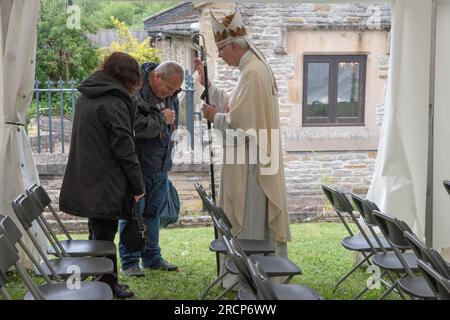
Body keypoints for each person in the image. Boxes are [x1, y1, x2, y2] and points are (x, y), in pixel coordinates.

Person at [194, 8, 291, 281]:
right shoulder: (251, 69)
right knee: (250, 220)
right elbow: (239, 109)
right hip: (255, 158)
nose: (222, 59)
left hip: (254, 166)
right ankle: (253, 275)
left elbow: (241, 125)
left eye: (222, 52)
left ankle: (254, 277)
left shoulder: (253, 73)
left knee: (251, 221)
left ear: (235, 46)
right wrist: (209, 85)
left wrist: (216, 117)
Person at [59, 52, 145, 299]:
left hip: (88, 178)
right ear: (130, 76)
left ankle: (103, 280)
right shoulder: (113, 102)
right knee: (105, 237)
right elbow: (125, 149)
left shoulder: (87, 97)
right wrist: (138, 185)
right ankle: (108, 285)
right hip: (105, 182)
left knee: (98, 233)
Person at [118, 61, 184, 277]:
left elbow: (169, 127)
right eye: (169, 89)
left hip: (160, 166)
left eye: (174, 90)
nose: (171, 93)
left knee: (152, 214)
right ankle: (129, 262)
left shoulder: (169, 95)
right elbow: (133, 127)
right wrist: (161, 119)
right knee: (132, 215)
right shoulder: (135, 91)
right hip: (138, 167)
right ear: (156, 77)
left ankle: (152, 258)